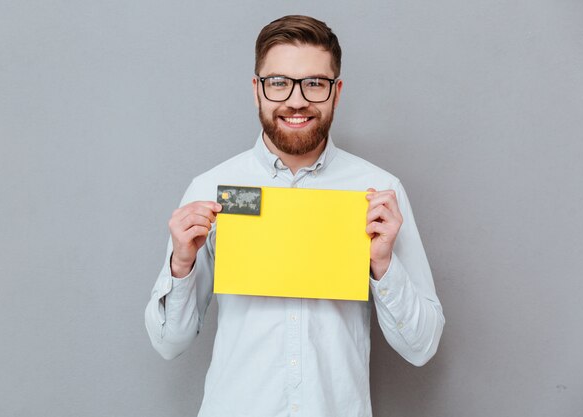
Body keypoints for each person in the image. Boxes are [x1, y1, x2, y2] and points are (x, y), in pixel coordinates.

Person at [145, 15, 444, 417]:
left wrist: (384, 264)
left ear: (337, 93)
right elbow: (169, 343)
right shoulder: (211, 188)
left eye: (315, 84)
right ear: (257, 90)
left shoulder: (379, 193)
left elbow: (422, 347)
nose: (296, 99)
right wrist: (181, 264)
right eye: (279, 82)